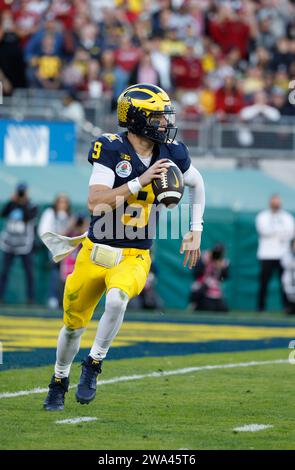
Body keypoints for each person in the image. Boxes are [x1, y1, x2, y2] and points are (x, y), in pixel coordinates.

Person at [42, 83, 205, 411]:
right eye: (158, 117)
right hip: (95, 250)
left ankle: (94, 364)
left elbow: (197, 183)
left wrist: (195, 229)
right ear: (138, 118)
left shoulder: (171, 151)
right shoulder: (111, 148)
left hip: (134, 255)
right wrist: (139, 182)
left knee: (117, 300)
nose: (164, 123)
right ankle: (59, 380)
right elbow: (95, 203)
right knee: (72, 327)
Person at [256, 194, 295, 312]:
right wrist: (280, 232)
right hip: (266, 255)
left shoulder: (287, 217)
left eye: (277, 202)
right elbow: (264, 230)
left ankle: (287, 306)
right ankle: (261, 307)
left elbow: (290, 232)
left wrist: (276, 232)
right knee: (264, 282)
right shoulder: (262, 216)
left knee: (285, 282)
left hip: (283, 255)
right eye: (274, 202)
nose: (276, 204)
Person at [0, 182, 37, 304]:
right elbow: (3, 213)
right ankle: (1, 297)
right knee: (4, 271)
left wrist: (23, 203)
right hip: (9, 243)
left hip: (24, 245)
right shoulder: (12, 204)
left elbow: (28, 217)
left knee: (29, 272)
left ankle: (31, 298)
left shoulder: (32, 205)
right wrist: (12, 201)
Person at [38, 193, 72, 309]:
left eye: (65, 202)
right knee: (55, 274)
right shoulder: (50, 213)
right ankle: (53, 298)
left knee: (67, 275)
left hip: (68, 252)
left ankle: (66, 300)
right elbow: (43, 231)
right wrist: (55, 241)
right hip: (54, 249)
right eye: (60, 202)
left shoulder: (69, 216)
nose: (62, 205)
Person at [190, 243, 229, 312]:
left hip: (214, 291)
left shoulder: (222, 263)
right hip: (202, 287)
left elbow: (223, 278)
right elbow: (196, 274)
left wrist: (222, 268)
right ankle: (194, 305)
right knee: (208, 307)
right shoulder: (205, 258)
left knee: (222, 309)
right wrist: (204, 262)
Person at [281, 238, 295, 315]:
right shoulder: (287, 254)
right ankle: (288, 309)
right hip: (289, 279)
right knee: (288, 293)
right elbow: (286, 264)